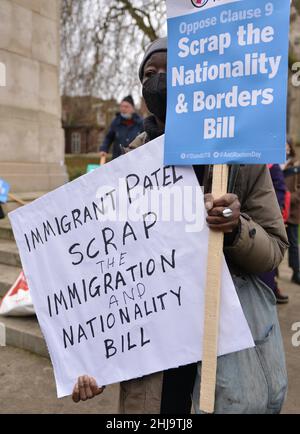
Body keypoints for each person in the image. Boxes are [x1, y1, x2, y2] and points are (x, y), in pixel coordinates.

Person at [72, 38, 288, 414]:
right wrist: (91, 359)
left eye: (167, 71)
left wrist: (236, 230)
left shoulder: (238, 156)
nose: (157, 80)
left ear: (195, 78)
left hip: (224, 345)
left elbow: (274, 250)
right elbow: (109, 268)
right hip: (157, 354)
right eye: (148, 75)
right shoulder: (130, 163)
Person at [259, 164, 289, 303]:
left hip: (264, 220)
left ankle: (271, 290)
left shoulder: (273, 167)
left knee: (268, 262)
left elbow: (279, 192)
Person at [99, 95, 143, 160]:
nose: (123, 109)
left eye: (126, 107)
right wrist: (104, 149)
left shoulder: (141, 123)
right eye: (121, 106)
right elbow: (108, 138)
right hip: (117, 160)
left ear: (133, 108)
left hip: (135, 160)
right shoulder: (116, 122)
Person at [283, 139, 300, 284]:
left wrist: (290, 198)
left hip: (293, 210)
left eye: (286, 145)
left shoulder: (296, 165)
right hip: (278, 209)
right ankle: (273, 277)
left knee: (293, 243)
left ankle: (296, 271)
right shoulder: (275, 164)